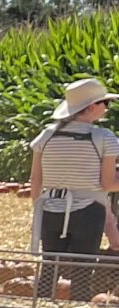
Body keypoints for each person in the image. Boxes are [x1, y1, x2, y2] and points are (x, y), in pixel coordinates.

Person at [29, 77, 118, 293]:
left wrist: (39, 208)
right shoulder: (104, 137)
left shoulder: (46, 136)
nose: (107, 108)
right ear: (92, 107)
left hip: (52, 207)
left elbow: (36, 181)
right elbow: (107, 183)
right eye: (104, 103)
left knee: (50, 268)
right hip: (89, 211)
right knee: (82, 272)